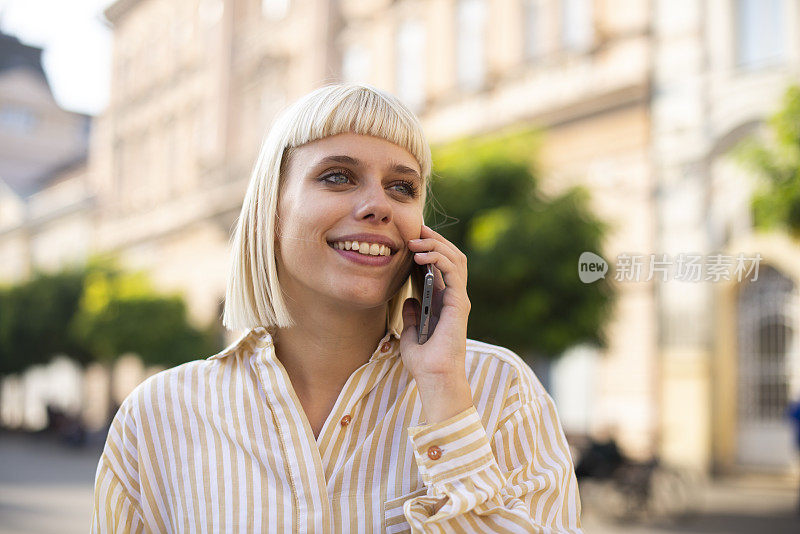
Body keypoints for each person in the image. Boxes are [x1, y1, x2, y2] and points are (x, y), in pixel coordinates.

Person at [91, 82, 584, 533]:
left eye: (402, 187)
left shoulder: (501, 391)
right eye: (337, 177)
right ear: (272, 207)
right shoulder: (160, 414)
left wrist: (444, 395)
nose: (379, 205)